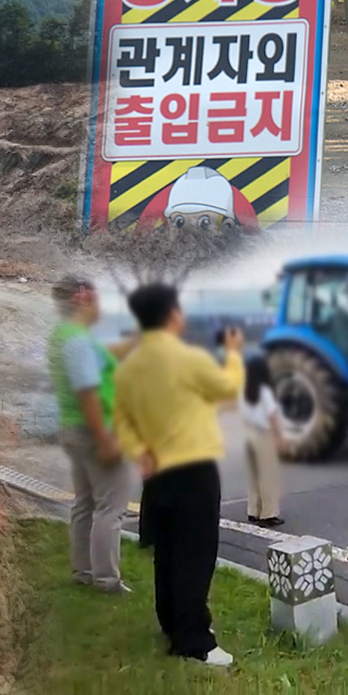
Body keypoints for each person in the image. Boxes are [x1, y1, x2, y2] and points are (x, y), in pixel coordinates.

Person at [112, 283, 244, 667]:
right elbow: (228, 389)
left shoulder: (131, 365)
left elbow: (122, 419)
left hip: (157, 470)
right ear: (172, 315)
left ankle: (171, 622)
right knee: (194, 554)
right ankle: (194, 641)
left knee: (167, 552)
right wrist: (233, 354)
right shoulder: (189, 359)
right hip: (193, 468)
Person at [46, 276, 131, 593]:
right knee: (110, 507)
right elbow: (87, 391)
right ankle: (107, 579)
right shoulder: (78, 341)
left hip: (72, 428)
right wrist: (105, 438)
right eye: (96, 299)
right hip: (95, 428)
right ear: (82, 300)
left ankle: (83, 570)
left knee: (84, 502)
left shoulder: (63, 335)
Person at [237, 351, 285, 528]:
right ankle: (268, 514)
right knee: (268, 476)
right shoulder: (264, 391)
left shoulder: (243, 390)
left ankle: (253, 511)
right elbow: (272, 415)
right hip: (263, 435)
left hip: (248, 434)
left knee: (253, 475)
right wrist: (279, 435)